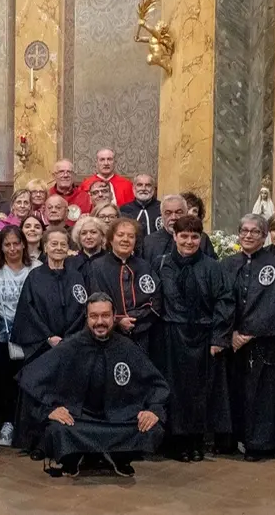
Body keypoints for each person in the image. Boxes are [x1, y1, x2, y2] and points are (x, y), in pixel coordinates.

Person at [17, 294, 168, 477]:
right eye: (94, 316)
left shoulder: (127, 347)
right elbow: (30, 379)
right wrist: (48, 410)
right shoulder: (71, 346)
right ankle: (73, 459)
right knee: (57, 430)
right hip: (80, 420)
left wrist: (153, 410)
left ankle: (120, 458)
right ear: (86, 318)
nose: (100, 321)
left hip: (118, 419)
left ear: (114, 317)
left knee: (152, 428)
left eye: (105, 315)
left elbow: (156, 385)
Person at [222, 214, 275, 461]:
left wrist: (249, 332)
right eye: (244, 230)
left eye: (255, 232)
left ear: (264, 235)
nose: (248, 235)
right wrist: (231, 332)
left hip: (264, 343)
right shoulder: (226, 264)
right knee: (234, 392)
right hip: (232, 343)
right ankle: (231, 439)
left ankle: (259, 443)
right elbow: (221, 302)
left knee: (262, 396)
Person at [154, 215, 233, 462]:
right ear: (175, 236)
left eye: (194, 236)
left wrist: (218, 337)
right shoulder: (161, 264)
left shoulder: (213, 267)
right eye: (184, 236)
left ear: (201, 238)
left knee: (200, 391)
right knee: (173, 390)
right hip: (171, 336)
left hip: (202, 335)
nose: (189, 241)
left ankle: (196, 441)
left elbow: (225, 301)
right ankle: (175, 442)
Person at [12, 227, 89, 458]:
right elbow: (28, 310)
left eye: (62, 244)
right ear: (45, 248)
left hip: (71, 347)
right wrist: (48, 337)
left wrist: (69, 339)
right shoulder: (35, 277)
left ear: (68, 248)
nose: (58, 248)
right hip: (42, 347)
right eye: (53, 244)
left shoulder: (77, 276)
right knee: (40, 394)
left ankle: (65, 442)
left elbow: (84, 310)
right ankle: (38, 443)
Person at [0, 226, 36, 448]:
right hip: (3, 335)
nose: (12, 248)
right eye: (7, 244)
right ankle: (6, 423)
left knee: (27, 381)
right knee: (4, 381)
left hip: (30, 334)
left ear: (24, 244)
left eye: (16, 243)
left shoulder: (35, 269)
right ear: (1, 247)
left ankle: (25, 425)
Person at [87, 218, 161, 356]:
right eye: (120, 235)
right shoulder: (97, 267)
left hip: (143, 333)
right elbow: (97, 299)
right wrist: (119, 319)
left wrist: (136, 320)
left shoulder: (144, 266)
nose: (125, 239)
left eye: (131, 236)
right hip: (111, 333)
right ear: (110, 239)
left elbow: (155, 298)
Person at [141, 194, 217, 266]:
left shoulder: (202, 239)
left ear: (186, 213)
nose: (173, 217)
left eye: (179, 212)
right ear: (161, 215)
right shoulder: (149, 242)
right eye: (168, 213)